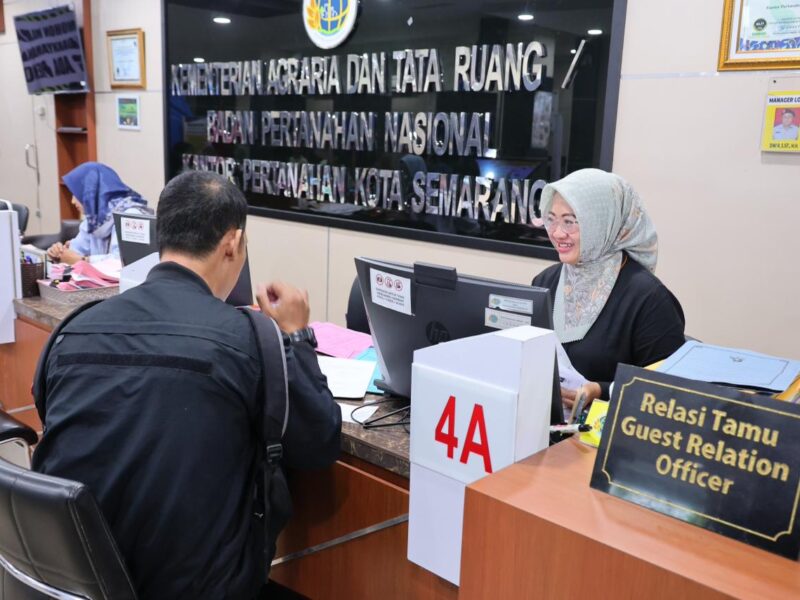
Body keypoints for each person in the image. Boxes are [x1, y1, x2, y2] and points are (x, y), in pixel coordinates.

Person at [33, 171, 342, 599]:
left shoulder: (73, 330)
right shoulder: (252, 339)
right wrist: (295, 336)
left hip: (75, 580)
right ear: (232, 244)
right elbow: (319, 443)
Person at [532, 168, 685, 407]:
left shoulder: (649, 299)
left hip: (606, 438)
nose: (557, 233)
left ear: (604, 222)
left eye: (570, 221)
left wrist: (601, 391)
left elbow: (668, 391)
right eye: (551, 219)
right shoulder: (544, 282)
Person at [47, 162, 149, 264]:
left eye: (76, 194)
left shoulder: (131, 216)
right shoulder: (95, 219)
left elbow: (124, 263)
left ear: (92, 192)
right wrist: (59, 253)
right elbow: (75, 251)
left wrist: (83, 260)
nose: (73, 201)